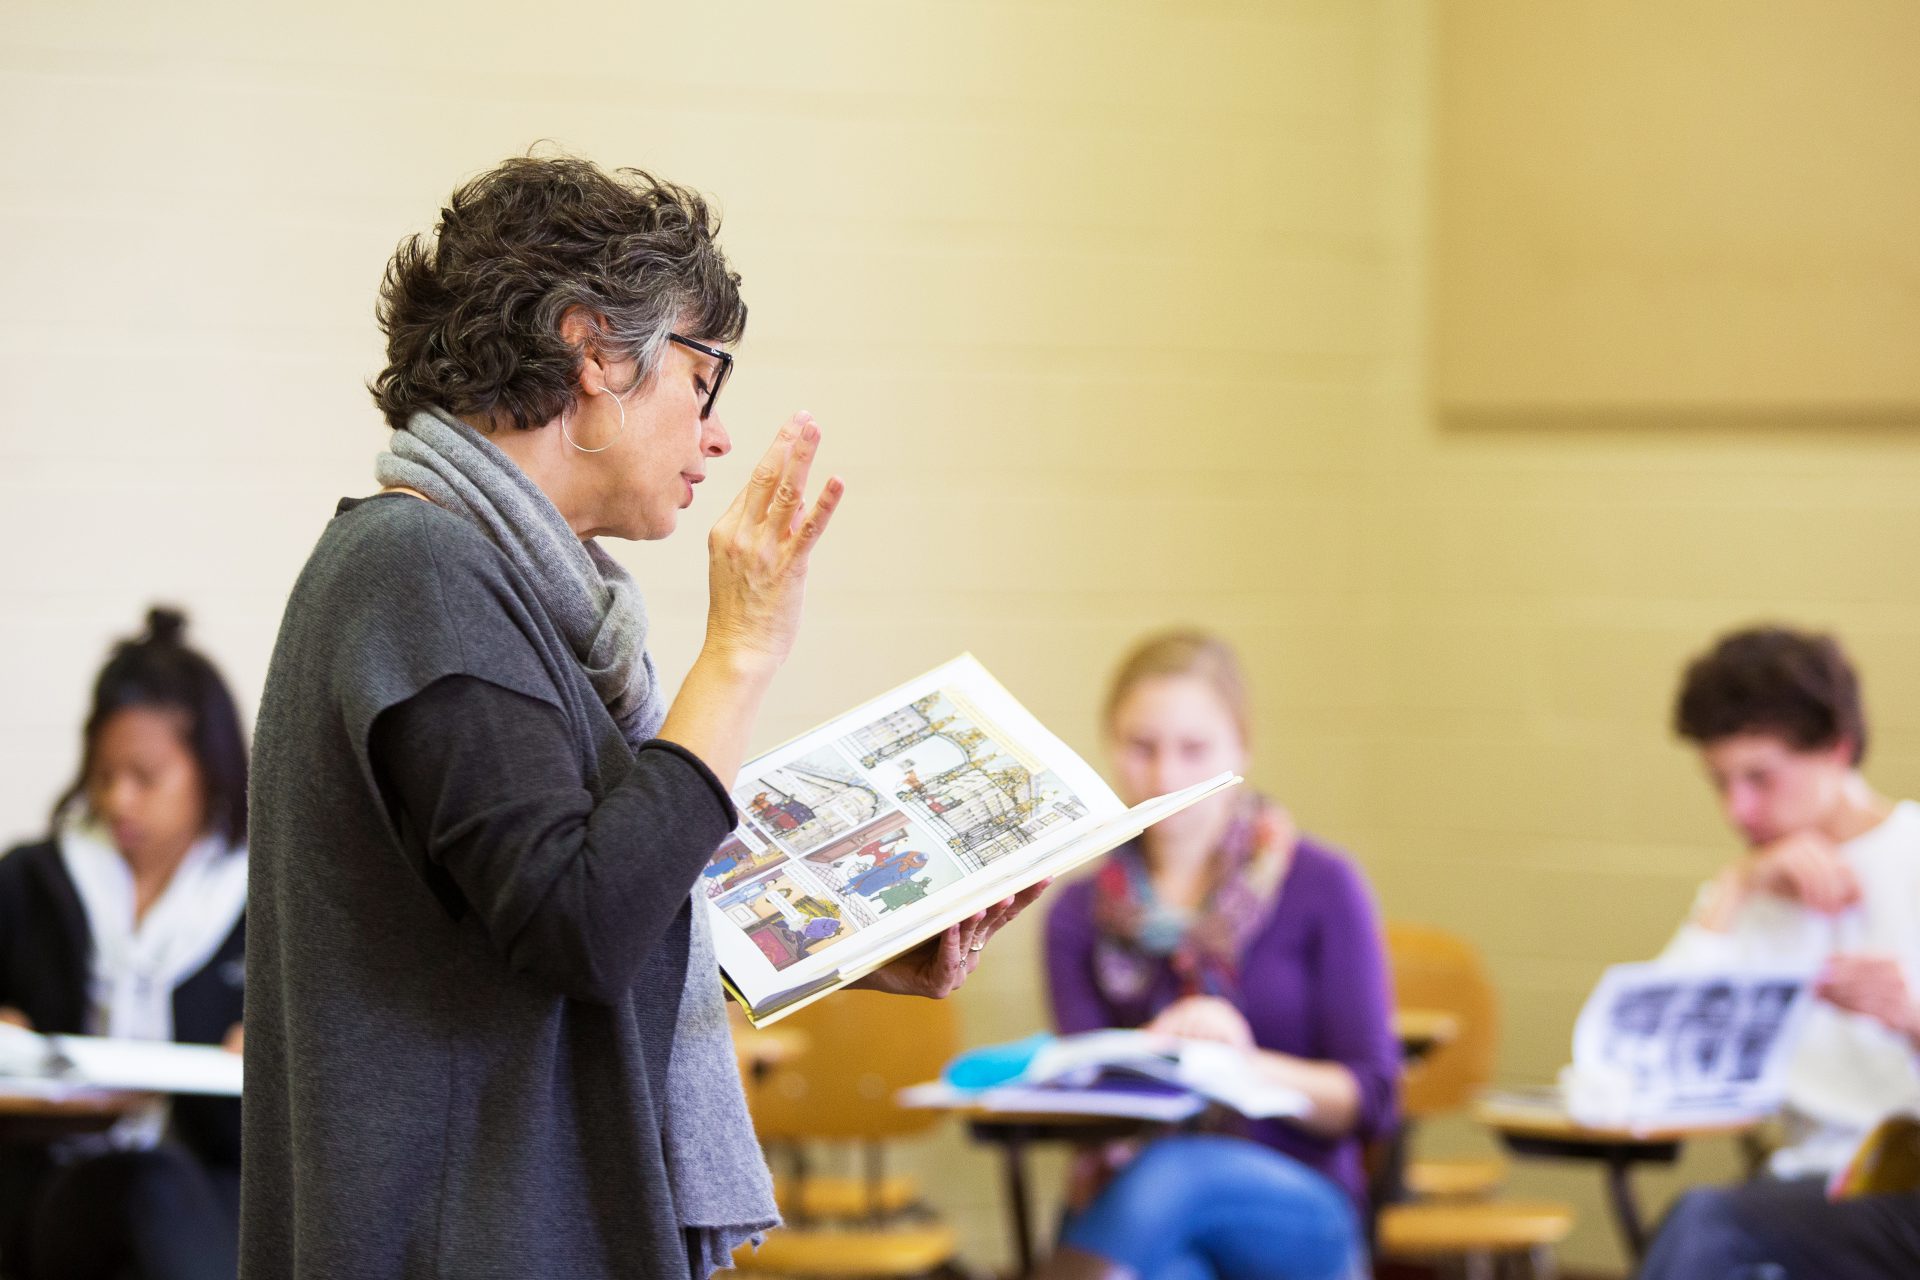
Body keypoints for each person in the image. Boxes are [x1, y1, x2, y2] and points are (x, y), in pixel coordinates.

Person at [239, 154, 1041, 1280]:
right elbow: (578, 921)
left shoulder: (485, 579)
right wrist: (742, 650)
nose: (715, 434)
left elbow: (565, 904)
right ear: (596, 350)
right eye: (702, 375)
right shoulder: (415, 568)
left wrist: (834, 941)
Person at [1042, 630, 1398, 1280]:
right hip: (1134, 1209)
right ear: (1109, 745)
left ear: (1243, 747)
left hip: (1299, 1199)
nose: (1165, 776)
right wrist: (1154, 1057)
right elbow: (1087, 1104)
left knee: (1174, 1173)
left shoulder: (1323, 886)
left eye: (1194, 749)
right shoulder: (1077, 915)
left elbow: (1371, 1098)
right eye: (1140, 747)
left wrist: (1234, 1064)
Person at [1638, 626, 1920, 1279]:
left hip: (1903, 1188)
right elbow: (1649, 1069)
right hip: (1814, 1185)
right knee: (1710, 1230)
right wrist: (1733, 890)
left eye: (1760, 778)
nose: (1739, 810)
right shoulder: (1755, 887)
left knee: (1708, 1227)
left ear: (1838, 750)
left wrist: (1911, 1020)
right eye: (1720, 783)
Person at [0, 607, 248, 1280]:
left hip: (213, 1190)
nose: (119, 801)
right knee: (132, 1189)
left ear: (210, 767)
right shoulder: (34, 879)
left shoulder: (266, 896)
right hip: (59, 1183)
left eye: (145, 776)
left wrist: (277, 1045)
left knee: (159, 1190)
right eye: (104, 776)